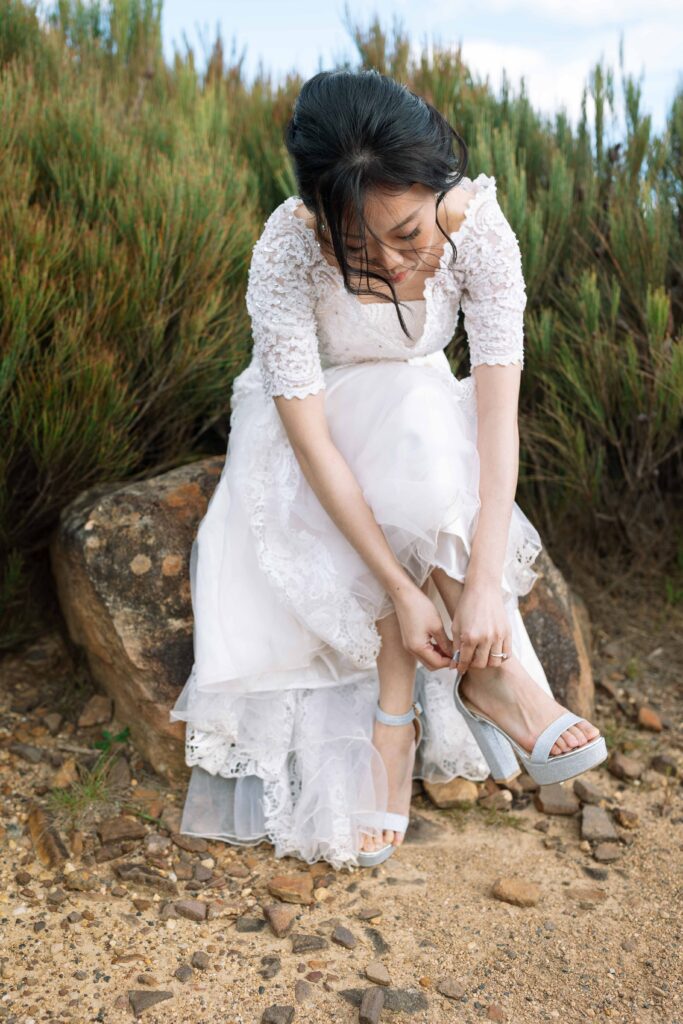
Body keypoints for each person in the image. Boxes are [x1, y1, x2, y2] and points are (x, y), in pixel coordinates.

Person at [169, 68, 605, 871]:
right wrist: (404, 593)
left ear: (437, 181)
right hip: (316, 440)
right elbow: (310, 442)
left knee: (422, 409)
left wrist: (481, 587)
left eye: (407, 232)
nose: (398, 261)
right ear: (320, 219)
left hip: (422, 433)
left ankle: (425, 700)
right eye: (359, 244)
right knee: (404, 410)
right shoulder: (287, 249)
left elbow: (494, 415)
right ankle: (437, 703)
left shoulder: (480, 230)